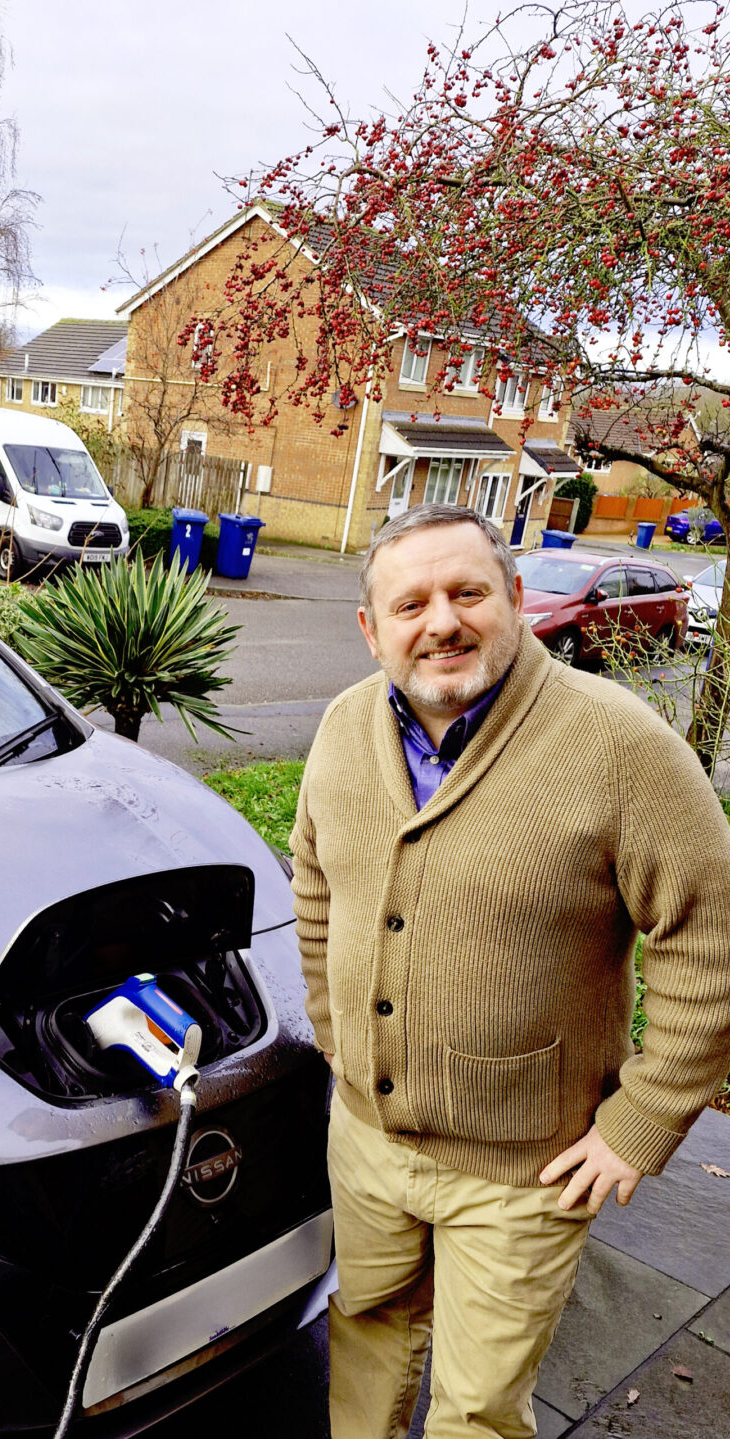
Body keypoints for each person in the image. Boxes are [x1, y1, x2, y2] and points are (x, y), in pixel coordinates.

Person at [290, 503, 730, 1439]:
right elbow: (316, 886)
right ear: (370, 628)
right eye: (410, 604)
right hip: (367, 1138)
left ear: (517, 598)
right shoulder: (341, 726)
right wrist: (335, 1034)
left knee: (478, 1410)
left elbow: (712, 937)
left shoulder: (619, 747)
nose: (441, 622)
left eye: (467, 592)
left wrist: (644, 1119)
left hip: (525, 1168)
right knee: (365, 1332)